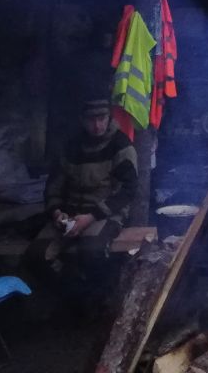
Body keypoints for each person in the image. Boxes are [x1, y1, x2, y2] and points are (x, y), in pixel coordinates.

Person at [36, 98, 137, 306]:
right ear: (82, 120)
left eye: (102, 118)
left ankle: (97, 304)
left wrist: (91, 217)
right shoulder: (70, 146)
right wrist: (57, 212)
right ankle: (73, 299)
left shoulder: (121, 146)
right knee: (37, 256)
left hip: (104, 214)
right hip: (70, 214)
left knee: (92, 252)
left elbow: (128, 191)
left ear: (109, 118)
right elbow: (54, 186)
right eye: (91, 120)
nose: (97, 125)